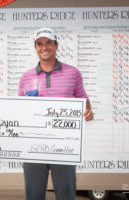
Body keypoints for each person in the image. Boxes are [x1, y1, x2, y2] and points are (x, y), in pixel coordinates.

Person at [18, 27, 94, 200]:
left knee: (66, 194)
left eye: (48, 43)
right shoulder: (26, 77)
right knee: (34, 195)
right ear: (35, 48)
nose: (44, 47)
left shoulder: (73, 73)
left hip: (64, 145)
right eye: (39, 44)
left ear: (56, 45)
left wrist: (88, 112)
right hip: (33, 145)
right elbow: (19, 109)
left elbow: (84, 101)